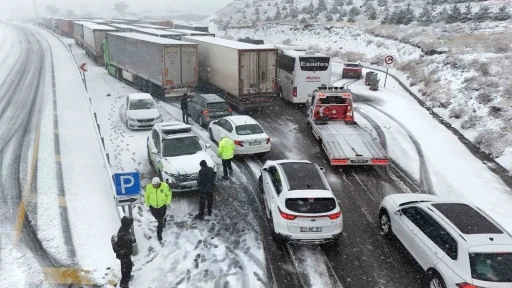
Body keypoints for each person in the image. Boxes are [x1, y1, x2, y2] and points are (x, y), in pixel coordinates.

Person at [144, 177, 172, 241]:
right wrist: (148, 204)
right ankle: (163, 220)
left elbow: (169, 194)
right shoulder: (148, 187)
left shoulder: (165, 186)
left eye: (156, 184)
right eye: (153, 184)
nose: (154, 186)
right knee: (156, 217)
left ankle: (159, 234)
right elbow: (146, 196)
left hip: (162, 206)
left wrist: (167, 203)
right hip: (153, 206)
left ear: (159, 183)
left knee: (160, 221)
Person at [116, 216, 134, 288]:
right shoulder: (123, 232)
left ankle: (126, 279)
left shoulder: (124, 229)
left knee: (126, 267)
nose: (130, 226)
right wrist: (127, 252)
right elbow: (123, 245)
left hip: (124, 253)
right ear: (127, 224)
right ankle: (124, 284)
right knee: (126, 268)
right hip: (123, 254)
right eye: (130, 224)